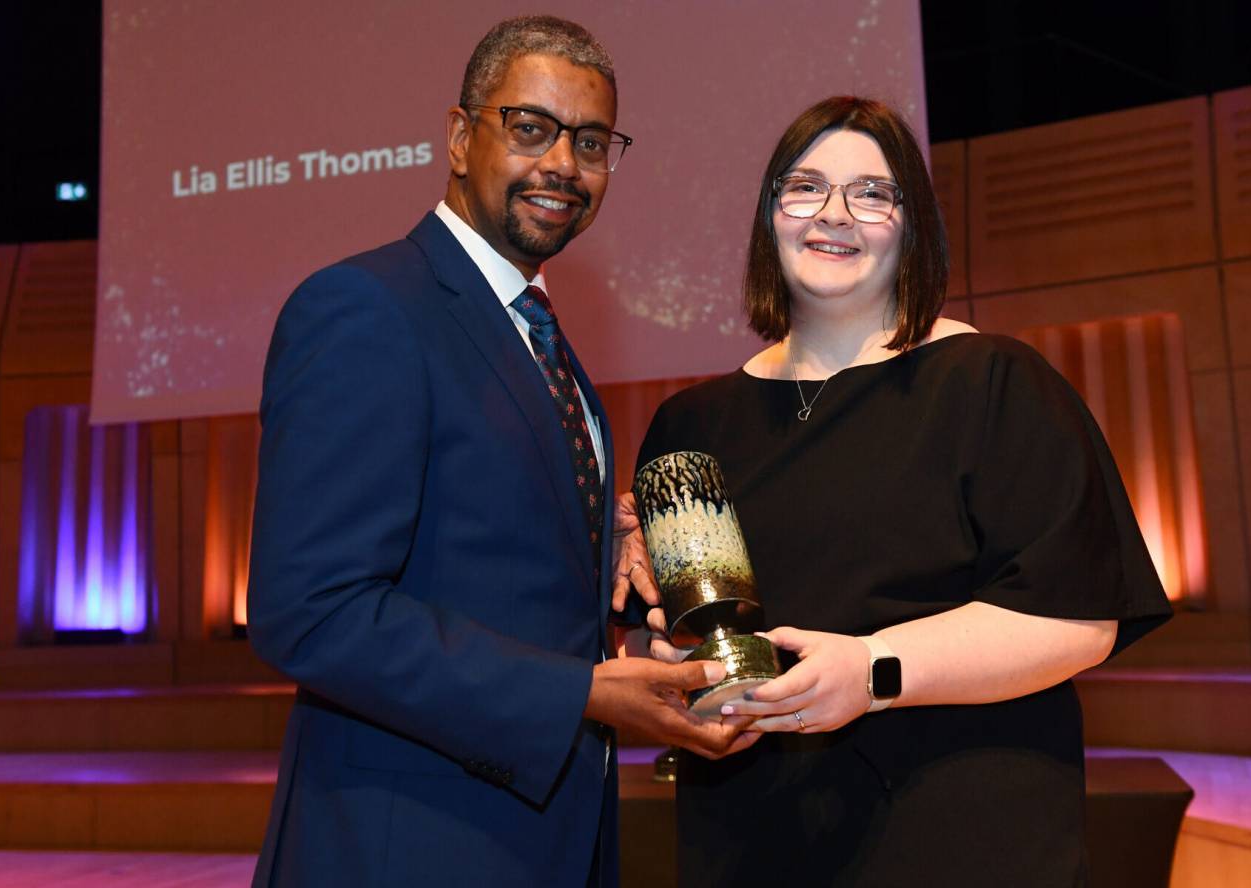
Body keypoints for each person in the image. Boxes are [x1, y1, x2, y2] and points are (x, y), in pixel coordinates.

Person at [246, 16, 752, 888]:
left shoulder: (540, 335)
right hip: (407, 847)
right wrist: (578, 695)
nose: (563, 163)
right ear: (458, 136)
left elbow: (496, 557)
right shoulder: (366, 308)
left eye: (591, 143)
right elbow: (312, 611)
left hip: (544, 837)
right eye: (531, 129)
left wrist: (609, 556)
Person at [630, 96, 1173, 886]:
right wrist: (672, 660)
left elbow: (1079, 616)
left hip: (959, 832)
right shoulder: (691, 422)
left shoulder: (994, 383)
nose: (834, 214)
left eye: (872, 193)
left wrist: (875, 671)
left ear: (912, 225)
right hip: (749, 834)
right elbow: (675, 632)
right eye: (805, 187)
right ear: (769, 215)